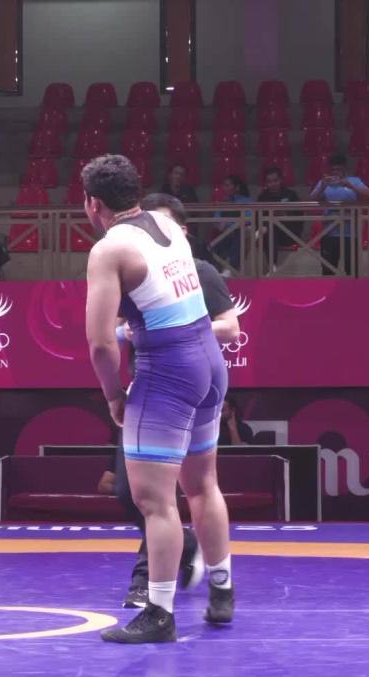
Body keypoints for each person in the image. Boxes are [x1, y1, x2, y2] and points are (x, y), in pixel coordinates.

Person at [82, 155, 233, 643]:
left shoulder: (109, 249)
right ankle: (222, 588)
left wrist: (113, 395)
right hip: (209, 363)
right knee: (203, 485)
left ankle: (160, 614)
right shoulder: (168, 226)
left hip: (168, 373)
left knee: (155, 501)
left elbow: (100, 344)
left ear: (93, 204)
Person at [109, 192, 242, 609]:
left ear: (181, 231)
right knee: (137, 494)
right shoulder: (135, 266)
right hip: (161, 384)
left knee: (170, 496)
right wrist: (126, 333)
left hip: (176, 382)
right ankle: (191, 562)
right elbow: (114, 329)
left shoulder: (199, 271)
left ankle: (162, 600)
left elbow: (230, 328)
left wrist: (179, 329)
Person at [308, 153, 369, 276]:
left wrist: (350, 185)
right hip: (329, 233)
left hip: (351, 234)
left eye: (338, 169)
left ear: (344, 169)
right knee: (328, 270)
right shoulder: (324, 183)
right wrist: (322, 187)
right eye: (333, 170)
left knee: (352, 270)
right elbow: (311, 201)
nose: (335, 172)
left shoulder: (354, 181)